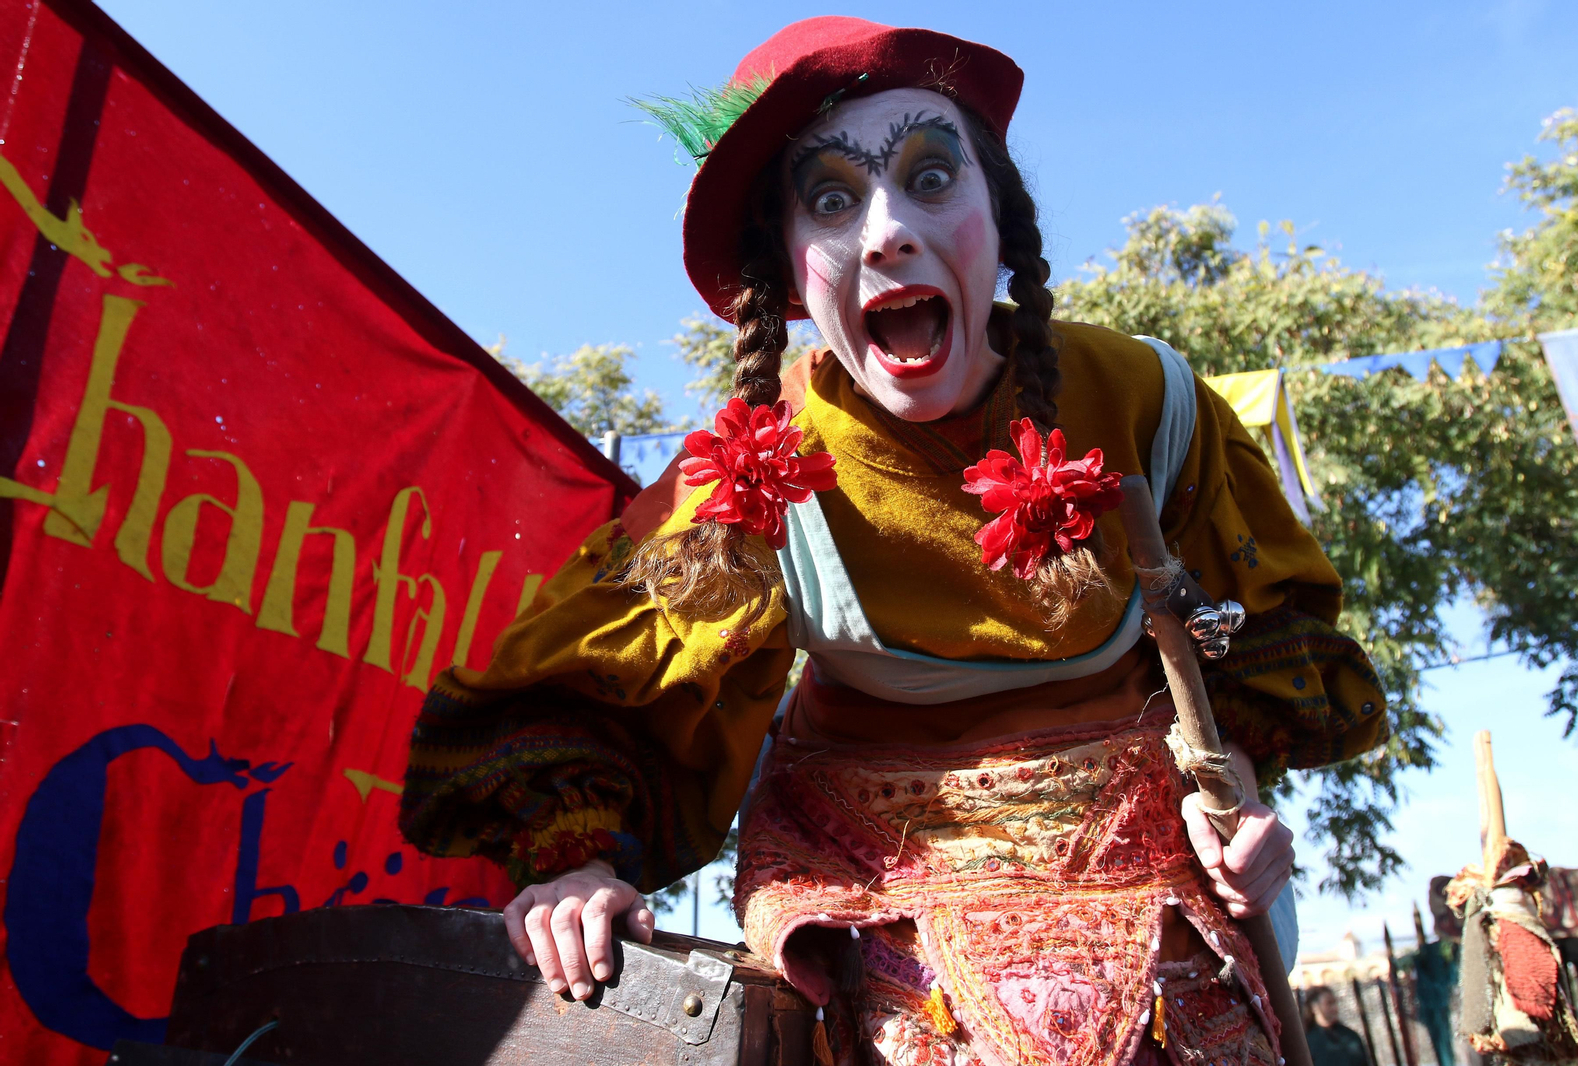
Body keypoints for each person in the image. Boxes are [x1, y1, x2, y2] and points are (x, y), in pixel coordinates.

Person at [400, 17, 1388, 1066]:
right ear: (786, 273)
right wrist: (578, 864)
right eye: (831, 200)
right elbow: (587, 690)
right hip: (875, 890)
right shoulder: (753, 469)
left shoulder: (1151, 401)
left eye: (928, 178)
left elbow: (1264, 645)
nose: (884, 233)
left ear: (1000, 225)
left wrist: (1232, 789)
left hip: (1149, 884)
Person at [1305, 986, 1373, 1066]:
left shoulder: (1350, 1036)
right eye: (1329, 1003)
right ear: (1314, 1007)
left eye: (1335, 1002)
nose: (1335, 1008)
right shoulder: (1308, 1042)